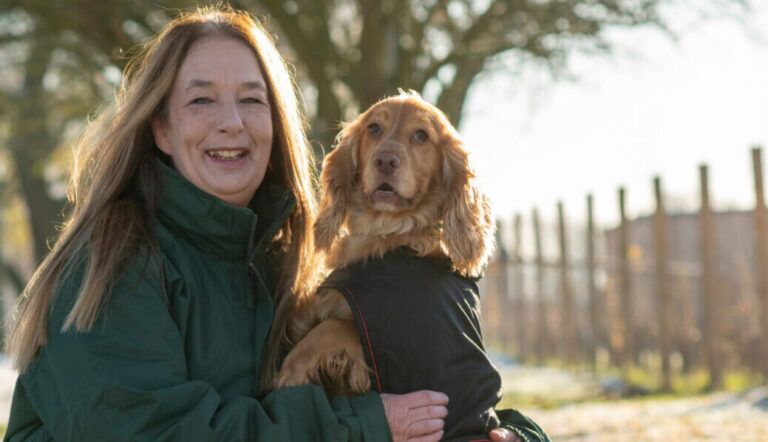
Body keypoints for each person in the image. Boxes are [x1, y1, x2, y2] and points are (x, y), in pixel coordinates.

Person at [4, 6, 544, 442]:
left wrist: (513, 435)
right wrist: (370, 427)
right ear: (161, 130)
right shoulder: (107, 264)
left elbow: (426, 381)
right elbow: (156, 432)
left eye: (250, 100)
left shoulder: (286, 259)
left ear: (274, 123)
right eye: (201, 100)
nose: (231, 122)